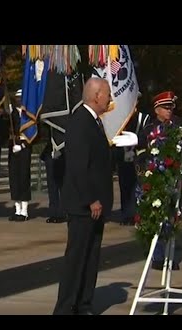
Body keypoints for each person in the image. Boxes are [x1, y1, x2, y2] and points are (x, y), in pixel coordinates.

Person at [53, 77, 114, 315]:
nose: (109, 98)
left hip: (95, 204)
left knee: (91, 257)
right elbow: (79, 166)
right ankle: (66, 307)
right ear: (96, 95)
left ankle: (84, 303)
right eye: (107, 94)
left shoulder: (94, 121)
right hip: (84, 205)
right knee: (77, 259)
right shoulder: (80, 121)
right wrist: (91, 199)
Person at [135, 91, 181, 271]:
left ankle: (170, 255)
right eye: (165, 107)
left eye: (171, 107)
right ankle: (157, 255)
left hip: (172, 179)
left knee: (171, 218)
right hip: (154, 180)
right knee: (155, 217)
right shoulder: (149, 130)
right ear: (157, 110)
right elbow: (141, 156)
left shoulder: (177, 127)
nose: (169, 110)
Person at [8, 89, 32, 221]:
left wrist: (23, 145)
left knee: (23, 178)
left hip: (24, 150)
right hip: (13, 150)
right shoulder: (11, 115)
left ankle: (25, 210)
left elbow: (34, 134)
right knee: (14, 178)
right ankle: (17, 209)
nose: (18, 99)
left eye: (20, 97)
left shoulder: (28, 115)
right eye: (16, 97)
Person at [40, 123, 66, 223]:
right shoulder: (47, 122)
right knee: (51, 184)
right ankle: (53, 212)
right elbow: (42, 134)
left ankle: (63, 212)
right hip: (50, 151)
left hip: (62, 151)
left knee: (62, 184)